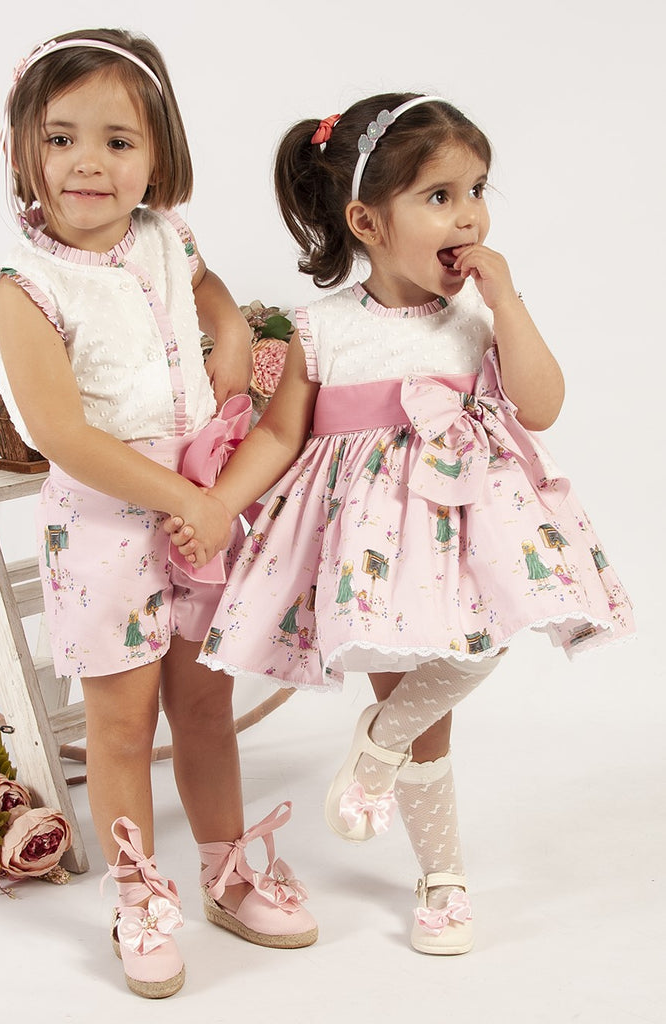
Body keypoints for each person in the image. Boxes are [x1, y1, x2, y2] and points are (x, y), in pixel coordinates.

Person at [167, 92, 634, 956]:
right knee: (420, 712)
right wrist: (219, 503)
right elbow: (278, 436)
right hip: (373, 547)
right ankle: (442, 876)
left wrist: (509, 304)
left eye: (477, 190)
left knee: (483, 644)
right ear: (367, 222)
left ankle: (379, 747)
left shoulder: (477, 317)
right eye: (440, 196)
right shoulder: (323, 330)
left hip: (471, 527)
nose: (470, 216)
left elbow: (542, 405)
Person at [0, 28, 317, 1000]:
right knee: (122, 724)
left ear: (158, 154)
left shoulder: (166, 236)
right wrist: (192, 500)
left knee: (203, 704)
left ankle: (225, 870)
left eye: (117, 141)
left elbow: (205, 288)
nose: (88, 162)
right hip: (108, 522)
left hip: (201, 497)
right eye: (61, 137)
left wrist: (230, 330)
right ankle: (137, 895)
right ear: (23, 151)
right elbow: (63, 434)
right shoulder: (23, 289)